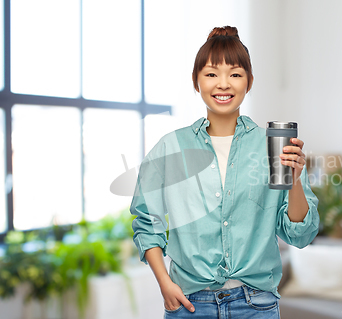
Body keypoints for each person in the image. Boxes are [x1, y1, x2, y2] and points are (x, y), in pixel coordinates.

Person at [130, 26, 320, 319]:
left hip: (256, 305)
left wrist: (294, 181)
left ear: (249, 81)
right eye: (210, 74)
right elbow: (147, 222)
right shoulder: (171, 146)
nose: (223, 84)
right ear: (196, 81)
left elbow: (299, 235)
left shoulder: (272, 146)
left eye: (234, 74)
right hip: (189, 304)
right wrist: (164, 283)